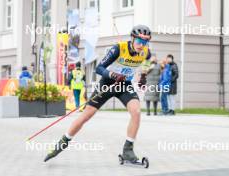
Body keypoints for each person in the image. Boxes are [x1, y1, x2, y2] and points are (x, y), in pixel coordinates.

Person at [44, 25, 152, 163]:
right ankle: (61, 144)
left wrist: (143, 75)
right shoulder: (118, 48)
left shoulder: (145, 52)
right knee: (86, 115)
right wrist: (113, 74)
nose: (142, 45)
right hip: (107, 84)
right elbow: (98, 68)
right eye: (139, 41)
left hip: (124, 85)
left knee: (136, 112)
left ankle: (128, 150)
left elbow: (147, 61)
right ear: (132, 38)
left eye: (145, 42)